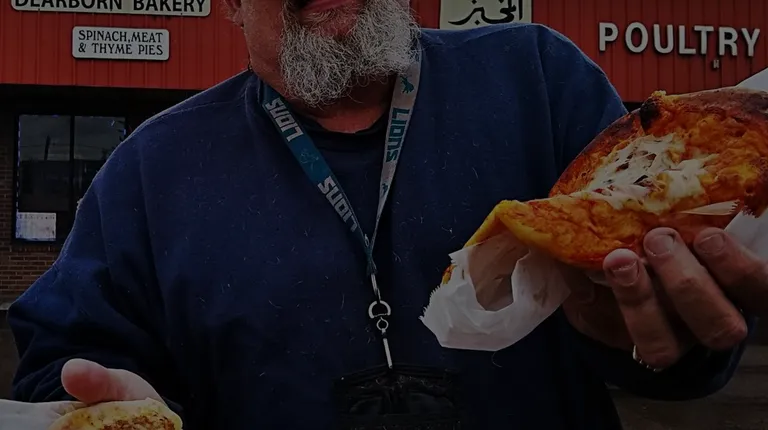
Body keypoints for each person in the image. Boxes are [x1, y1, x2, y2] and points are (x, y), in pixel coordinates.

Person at [6, 0, 768, 427]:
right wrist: (113, 411)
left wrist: (650, 337)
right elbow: (60, 361)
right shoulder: (154, 166)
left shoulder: (537, 78)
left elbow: (674, 322)